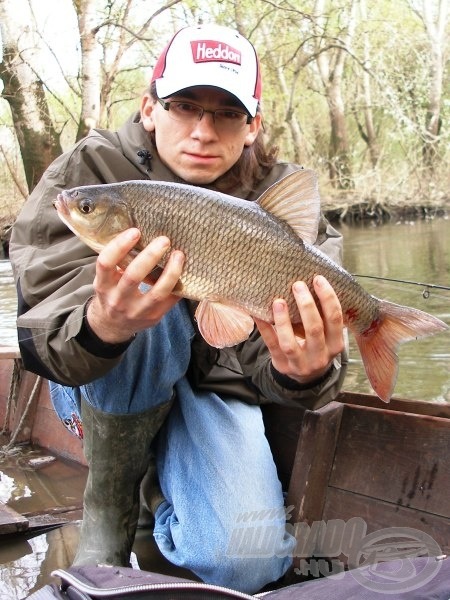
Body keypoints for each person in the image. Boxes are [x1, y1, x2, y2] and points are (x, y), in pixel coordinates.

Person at [10, 24, 347, 594]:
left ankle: (159, 496)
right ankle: (110, 516)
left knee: (247, 562)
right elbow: (44, 327)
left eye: (227, 114)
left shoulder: (286, 204)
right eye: (184, 106)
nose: (202, 130)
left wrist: (307, 371)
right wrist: (105, 323)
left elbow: (284, 364)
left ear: (253, 125)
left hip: (218, 380)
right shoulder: (89, 173)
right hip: (100, 376)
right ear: (149, 107)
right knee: (147, 292)